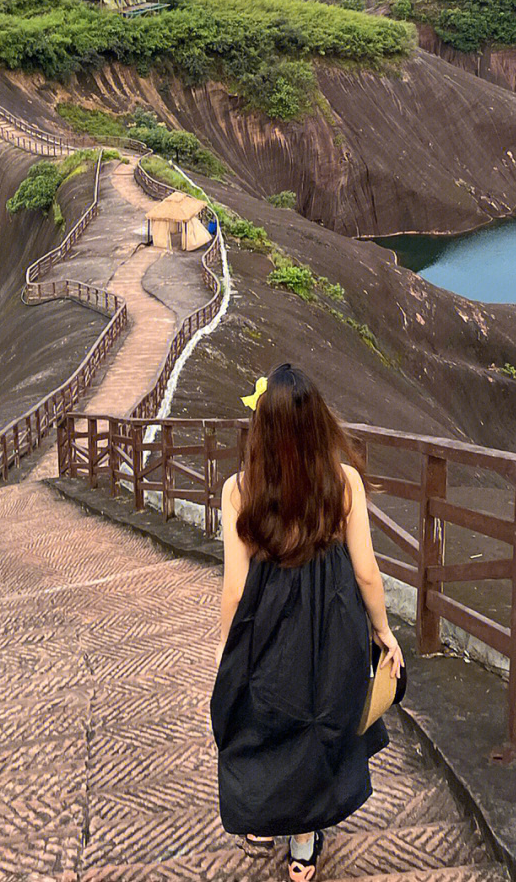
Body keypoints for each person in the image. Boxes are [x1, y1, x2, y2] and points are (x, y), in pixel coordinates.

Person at [210, 362, 404, 882]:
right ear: (318, 422)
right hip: (330, 627)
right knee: (320, 719)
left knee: (266, 718)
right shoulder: (344, 484)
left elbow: (233, 589)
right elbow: (366, 572)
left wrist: (228, 652)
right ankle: (303, 846)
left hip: (267, 628)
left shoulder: (239, 490)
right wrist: (383, 632)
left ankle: (268, 818)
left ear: (263, 429)